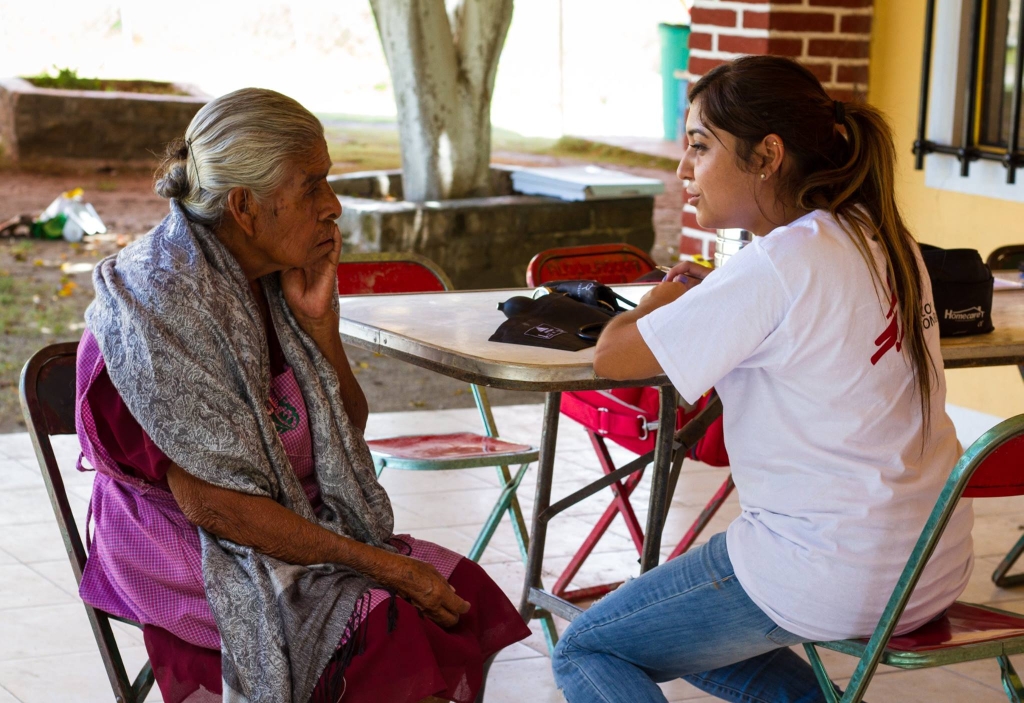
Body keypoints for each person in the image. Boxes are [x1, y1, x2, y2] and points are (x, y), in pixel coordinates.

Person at [75, 87, 529, 703]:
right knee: (387, 623)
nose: (332, 206)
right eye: (312, 186)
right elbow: (217, 507)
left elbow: (347, 428)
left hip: (288, 521)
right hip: (185, 545)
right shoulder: (158, 313)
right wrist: (383, 565)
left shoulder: (266, 279)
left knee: (460, 590)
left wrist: (320, 328)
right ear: (244, 206)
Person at [550, 55, 975, 703]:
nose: (683, 169)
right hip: (931, 563)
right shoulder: (881, 237)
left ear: (768, 155)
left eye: (700, 146)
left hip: (832, 572)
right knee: (676, 630)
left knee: (588, 646)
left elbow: (613, 356)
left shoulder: (780, 261)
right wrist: (718, 295)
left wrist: (659, 301)